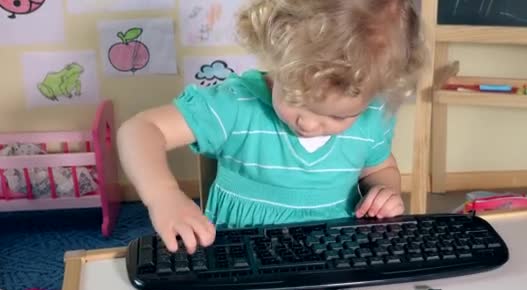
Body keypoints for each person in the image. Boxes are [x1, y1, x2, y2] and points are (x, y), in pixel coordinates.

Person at [117, 0, 425, 254]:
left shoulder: (371, 115)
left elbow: (378, 166)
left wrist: (386, 191)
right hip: (239, 256)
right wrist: (163, 195)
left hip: (332, 254)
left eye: (337, 117)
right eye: (294, 96)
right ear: (280, 57)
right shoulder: (237, 105)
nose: (308, 122)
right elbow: (139, 130)